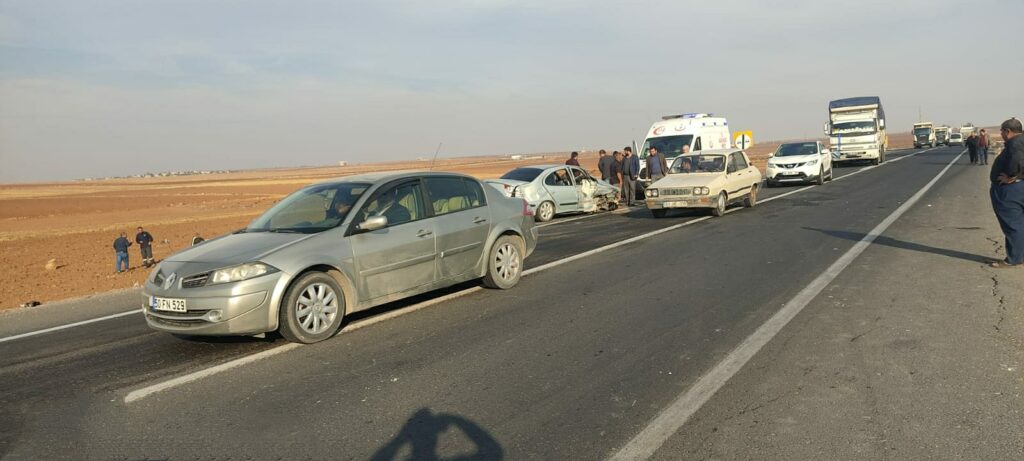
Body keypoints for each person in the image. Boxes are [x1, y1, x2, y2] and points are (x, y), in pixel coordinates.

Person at [988, 118, 1024, 268]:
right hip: (1019, 186)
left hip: (1010, 191)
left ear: (1007, 131)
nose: (1001, 134)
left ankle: (1014, 259)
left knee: (1013, 224)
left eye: (1002, 131)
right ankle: (1019, 255)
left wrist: (1011, 175)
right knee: (1019, 224)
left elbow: (1017, 160)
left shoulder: (1015, 143)